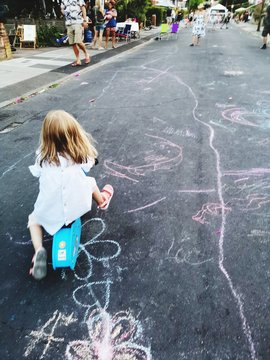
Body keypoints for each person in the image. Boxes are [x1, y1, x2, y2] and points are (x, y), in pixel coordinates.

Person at [28, 110, 114, 280]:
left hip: (50, 212)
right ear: (75, 133)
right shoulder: (80, 154)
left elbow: (37, 173)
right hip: (79, 206)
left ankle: (39, 250)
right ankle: (102, 200)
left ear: (46, 137)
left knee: (33, 220)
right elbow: (91, 162)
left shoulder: (42, 157)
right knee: (89, 182)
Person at [61, 0, 91, 66]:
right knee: (73, 43)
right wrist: (66, 13)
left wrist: (85, 20)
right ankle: (78, 60)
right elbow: (62, 9)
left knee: (78, 41)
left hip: (78, 22)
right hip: (69, 23)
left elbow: (83, 8)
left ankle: (86, 54)